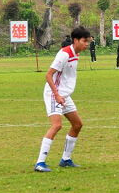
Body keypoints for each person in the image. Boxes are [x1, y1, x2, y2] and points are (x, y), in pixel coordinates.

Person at [34, 26, 91, 172]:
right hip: (54, 94)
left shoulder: (75, 53)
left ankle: (65, 159)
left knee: (77, 125)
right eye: (84, 41)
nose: (86, 44)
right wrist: (57, 95)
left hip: (64, 95)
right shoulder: (64, 54)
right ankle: (40, 163)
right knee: (56, 125)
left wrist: (63, 95)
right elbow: (48, 75)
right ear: (76, 40)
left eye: (88, 42)